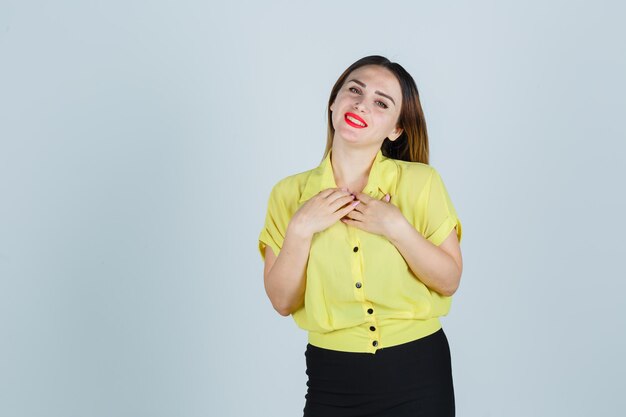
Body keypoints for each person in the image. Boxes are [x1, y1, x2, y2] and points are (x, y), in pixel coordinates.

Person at [258, 55, 463, 417]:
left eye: (381, 103)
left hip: (418, 370)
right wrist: (301, 229)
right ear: (333, 101)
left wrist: (396, 228)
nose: (361, 104)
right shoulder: (288, 195)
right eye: (354, 90)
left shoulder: (421, 183)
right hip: (332, 378)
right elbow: (282, 302)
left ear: (396, 129)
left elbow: (448, 281)